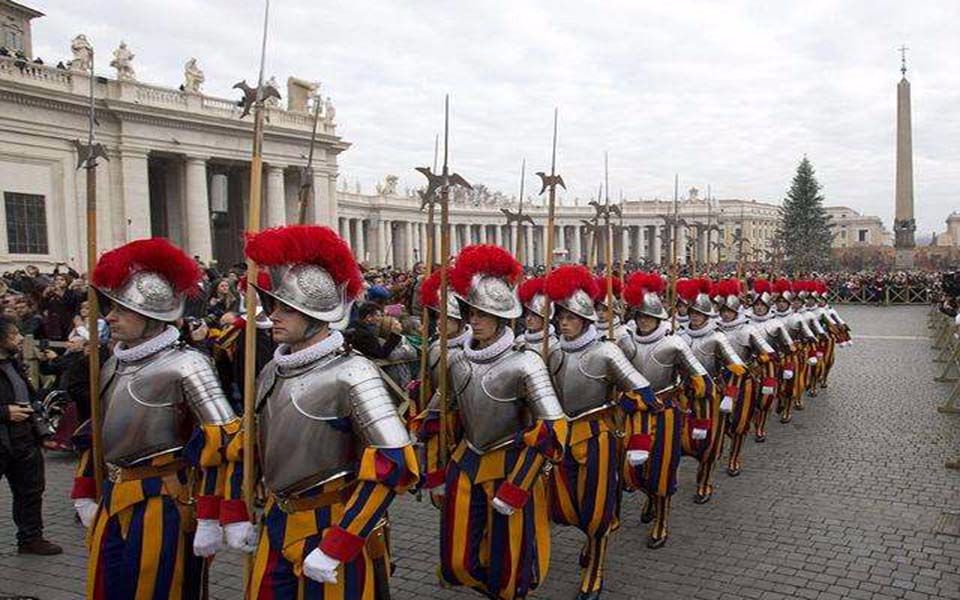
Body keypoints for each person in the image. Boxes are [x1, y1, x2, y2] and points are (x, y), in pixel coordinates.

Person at [223, 224, 418, 599]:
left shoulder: (353, 373)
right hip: (276, 519)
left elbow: (393, 464)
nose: (273, 315)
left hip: (333, 523)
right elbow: (247, 446)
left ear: (315, 314)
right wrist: (234, 508)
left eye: (286, 308)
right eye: (273, 305)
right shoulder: (270, 370)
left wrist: (339, 544)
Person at [71, 238, 240, 600]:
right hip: (112, 496)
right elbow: (98, 431)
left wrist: (211, 514)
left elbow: (222, 442)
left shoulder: (188, 364)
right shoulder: (113, 360)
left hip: (162, 501)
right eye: (110, 307)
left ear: (152, 315)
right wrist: (84, 488)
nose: (109, 317)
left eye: (121, 309)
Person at [417, 244, 567, 600]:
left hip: (512, 464)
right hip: (467, 462)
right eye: (472, 312)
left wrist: (520, 484)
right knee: (457, 563)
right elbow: (441, 416)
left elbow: (552, 427)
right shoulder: (458, 361)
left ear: (502, 318)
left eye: (483, 313)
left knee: (510, 562)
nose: (475, 320)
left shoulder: (526, 362)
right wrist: (436, 471)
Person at [543, 265, 653, 599]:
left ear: (586, 320)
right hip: (563, 437)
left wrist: (630, 410)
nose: (564, 322)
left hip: (598, 438)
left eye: (571, 317)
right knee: (562, 505)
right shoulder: (553, 351)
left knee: (595, 507)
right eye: (561, 316)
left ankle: (596, 565)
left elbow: (642, 390)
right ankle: (591, 536)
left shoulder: (606, 351)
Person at [619, 271, 709, 548]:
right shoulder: (624, 340)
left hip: (665, 413)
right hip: (634, 413)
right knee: (632, 470)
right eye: (639, 316)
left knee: (661, 468)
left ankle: (662, 518)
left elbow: (700, 378)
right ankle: (649, 497)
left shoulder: (674, 343)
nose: (643, 321)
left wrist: (691, 392)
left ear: (658, 318)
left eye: (648, 317)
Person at [677, 277, 745, 503]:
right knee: (674, 440)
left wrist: (730, 396)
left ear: (707, 315)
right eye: (692, 313)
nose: (695, 317)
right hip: (683, 395)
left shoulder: (717, 337)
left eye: (699, 314)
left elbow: (736, 368)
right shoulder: (680, 336)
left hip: (710, 396)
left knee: (708, 442)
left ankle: (704, 481)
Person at [0, 315, 62, 555]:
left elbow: (30, 394)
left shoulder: (13, 363)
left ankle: (30, 538)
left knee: (30, 491)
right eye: (13, 334)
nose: (18, 339)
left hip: (24, 438)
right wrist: (5, 412)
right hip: (3, 437)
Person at [715, 278, 776, 477]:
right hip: (720, 381)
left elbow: (767, 352)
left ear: (736, 311)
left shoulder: (748, 329)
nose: (725, 314)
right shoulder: (714, 329)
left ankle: (734, 456)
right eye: (723, 310)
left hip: (743, 380)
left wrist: (760, 358)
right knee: (718, 421)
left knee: (740, 423)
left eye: (729, 311)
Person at [749, 279, 797, 433]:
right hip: (750, 364)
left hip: (771, 363)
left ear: (768, 306)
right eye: (756, 305)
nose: (759, 307)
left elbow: (789, 346)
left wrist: (785, 360)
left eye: (762, 305)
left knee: (766, 398)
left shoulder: (776, 323)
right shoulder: (746, 323)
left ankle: (761, 426)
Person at [517, 276, 556, 353]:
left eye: (534, 315)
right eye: (527, 314)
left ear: (545, 318)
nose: (528, 318)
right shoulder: (519, 340)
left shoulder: (553, 346)